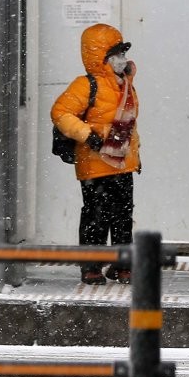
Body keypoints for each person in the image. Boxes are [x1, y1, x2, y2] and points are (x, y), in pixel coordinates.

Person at [51, 23, 141, 285]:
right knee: (96, 214)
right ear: (101, 58)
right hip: (95, 161)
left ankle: (123, 265)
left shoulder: (126, 84)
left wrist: (136, 155)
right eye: (116, 55)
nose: (123, 60)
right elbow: (60, 113)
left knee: (123, 216)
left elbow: (130, 125)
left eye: (123, 54)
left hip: (123, 161)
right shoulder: (86, 85)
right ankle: (91, 266)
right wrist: (87, 134)